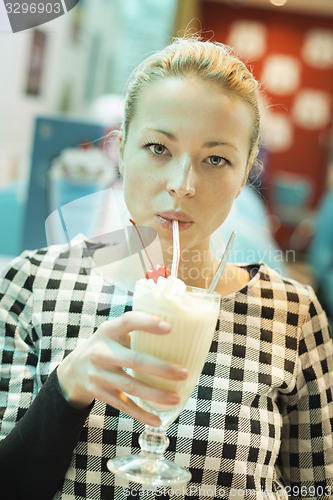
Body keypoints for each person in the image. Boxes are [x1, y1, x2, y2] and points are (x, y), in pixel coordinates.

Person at [1, 36, 333, 500]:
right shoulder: (31, 284)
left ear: (245, 175)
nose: (182, 185)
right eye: (158, 148)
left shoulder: (293, 315)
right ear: (120, 149)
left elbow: (317, 490)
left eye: (216, 159)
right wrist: (67, 388)